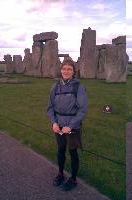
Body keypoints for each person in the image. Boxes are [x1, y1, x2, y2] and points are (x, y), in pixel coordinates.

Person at [46, 59, 88, 191]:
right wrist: (53, 122)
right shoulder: (55, 87)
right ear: (61, 70)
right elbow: (50, 108)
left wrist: (70, 126)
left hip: (72, 126)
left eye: (69, 69)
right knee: (60, 150)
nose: (66, 71)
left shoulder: (78, 87)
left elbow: (82, 110)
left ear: (73, 72)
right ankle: (60, 173)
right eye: (64, 68)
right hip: (58, 126)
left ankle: (74, 179)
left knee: (73, 151)